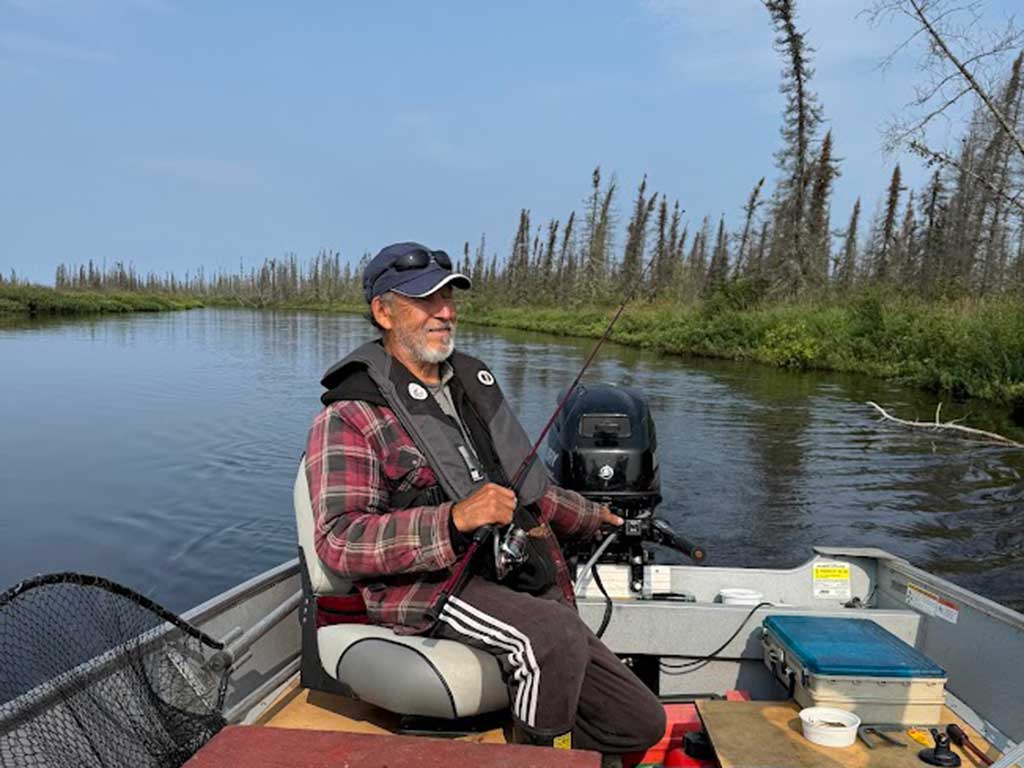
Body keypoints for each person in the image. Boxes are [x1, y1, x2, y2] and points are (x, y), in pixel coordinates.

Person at [304, 241, 666, 756]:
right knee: (552, 634)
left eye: (449, 298)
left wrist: (599, 518)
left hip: (505, 578)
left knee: (638, 721)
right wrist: (452, 520)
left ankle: (512, 742)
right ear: (383, 312)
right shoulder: (350, 416)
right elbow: (341, 540)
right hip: (426, 588)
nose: (445, 312)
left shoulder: (473, 388)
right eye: (424, 300)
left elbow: (529, 493)